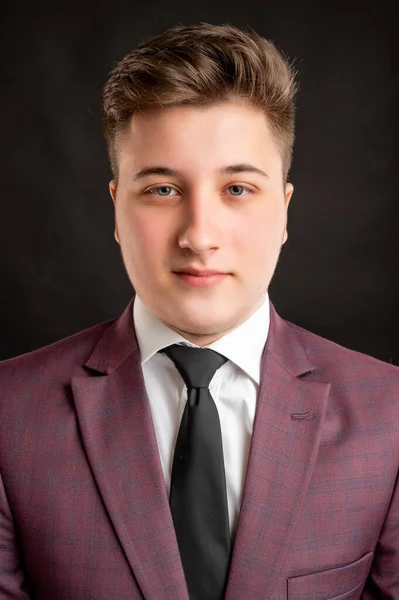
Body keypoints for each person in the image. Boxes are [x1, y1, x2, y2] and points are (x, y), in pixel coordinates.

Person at [0, 22, 398, 600]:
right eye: (163, 189)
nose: (199, 235)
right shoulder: (8, 416)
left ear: (284, 211)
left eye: (237, 189)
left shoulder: (390, 415)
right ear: (116, 209)